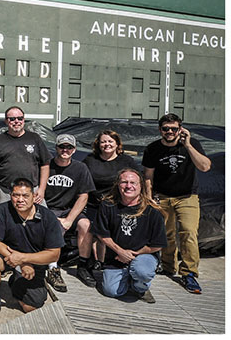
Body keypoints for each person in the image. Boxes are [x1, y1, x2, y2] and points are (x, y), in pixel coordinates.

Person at [0, 178, 65, 322]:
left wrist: (24, 259)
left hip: (33, 261)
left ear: (34, 196)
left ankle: (16, 281)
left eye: (25, 196)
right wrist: (20, 263)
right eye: (16, 195)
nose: (20, 200)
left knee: (30, 307)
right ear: (10, 195)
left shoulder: (48, 217)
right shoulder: (2, 210)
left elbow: (54, 254)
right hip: (6, 256)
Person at [142, 113, 211, 294]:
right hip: (162, 196)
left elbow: (205, 167)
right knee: (166, 234)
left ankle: (189, 273)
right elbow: (148, 175)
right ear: (160, 130)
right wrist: (149, 197)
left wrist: (187, 145)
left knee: (188, 232)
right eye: (166, 129)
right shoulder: (153, 148)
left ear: (180, 129)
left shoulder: (191, 144)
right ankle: (168, 266)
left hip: (187, 196)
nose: (170, 132)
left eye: (174, 128)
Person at [93, 168, 167, 303]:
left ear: (141, 186)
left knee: (142, 271)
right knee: (111, 291)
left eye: (133, 182)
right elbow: (102, 234)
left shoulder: (153, 211)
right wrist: (120, 252)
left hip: (144, 255)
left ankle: (140, 288)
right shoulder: (107, 205)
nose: (128, 186)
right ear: (117, 185)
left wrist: (132, 255)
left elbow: (157, 245)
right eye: (124, 182)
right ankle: (128, 276)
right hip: (116, 256)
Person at [42, 134, 96, 292]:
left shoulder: (80, 168)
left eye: (69, 147)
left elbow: (84, 196)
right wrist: (53, 217)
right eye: (62, 147)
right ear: (56, 148)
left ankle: (83, 266)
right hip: (48, 208)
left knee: (86, 225)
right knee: (54, 226)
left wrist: (69, 219)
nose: (65, 150)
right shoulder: (46, 166)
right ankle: (52, 269)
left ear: (74, 150)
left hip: (70, 209)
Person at [83, 130, 138, 270]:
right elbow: (83, 180)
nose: (106, 144)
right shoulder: (90, 160)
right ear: (98, 144)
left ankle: (120, 260)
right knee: (94, 232)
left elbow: (138, 180)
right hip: (94, 204)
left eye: (110, 141)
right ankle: (96, 262)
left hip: (118, 204)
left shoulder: (126, 161)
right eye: (103, 142)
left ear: (117, 144)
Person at [0, 106, 51, 207]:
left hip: (31, 190)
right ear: (6, 121)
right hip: (5, 192)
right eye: (12, 119)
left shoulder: (34, 138)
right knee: (4, 221)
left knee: (42, 218)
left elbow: (45, 164)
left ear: (24, 120)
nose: (16, 121)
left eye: (20, 118)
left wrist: (41, 189)